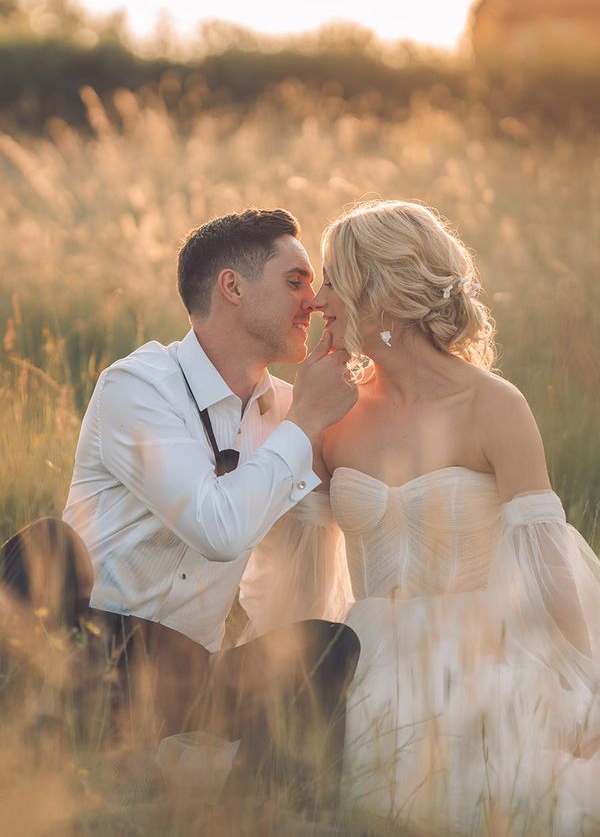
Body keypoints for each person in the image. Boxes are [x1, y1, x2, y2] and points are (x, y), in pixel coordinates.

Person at [3, 208, 360, 805]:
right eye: (296, 281)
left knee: (328, 647)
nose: (316, 301)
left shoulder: (293, 412)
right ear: (233, 287)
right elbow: (216, 530)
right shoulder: (138, 386)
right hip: (77, 654)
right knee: (47, 546)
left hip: (179, 678)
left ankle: (259, 817)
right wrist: (307, 425)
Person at [292, 200, 599, 834]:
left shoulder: (492, 405)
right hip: (369, 653)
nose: (318, 301)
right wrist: (286, 673)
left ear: (380, 292)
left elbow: (546, 558)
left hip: (483, 655)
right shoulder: (333, 412)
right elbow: (308, 567)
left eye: (332, 280)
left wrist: (583, 684)